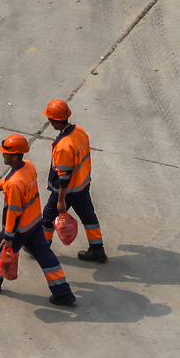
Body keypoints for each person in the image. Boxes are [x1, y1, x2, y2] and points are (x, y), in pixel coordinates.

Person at [0, 134, 76, 307]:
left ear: (15, 156)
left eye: (5, 153)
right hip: (34, 222)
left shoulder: (14, 184)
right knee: (46, 256)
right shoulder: (28, 166)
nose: (2, 155)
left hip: (19, 229)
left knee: (2, 252)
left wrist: (8, 236)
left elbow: (13, 211)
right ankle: (63, 292)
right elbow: (8, 181)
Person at [41, 98, 106, 263]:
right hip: (82, 185)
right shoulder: (79, 131)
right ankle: (97, 250)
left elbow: (64, 176)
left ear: (54, 121)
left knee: (48, 216)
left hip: (67, 190)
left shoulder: (63, 146)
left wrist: (61, 200)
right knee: (88, 217)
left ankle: (41, 248)